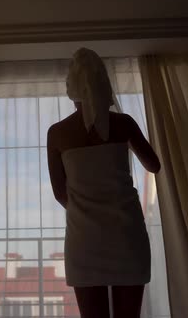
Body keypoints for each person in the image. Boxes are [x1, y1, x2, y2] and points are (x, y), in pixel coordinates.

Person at [47, 48, 161, 318]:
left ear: (71, 88)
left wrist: (87, 209)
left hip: (84, 239)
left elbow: (59, 193)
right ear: (104, 85)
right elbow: (153, 165)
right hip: (126, 235)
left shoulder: (57, 133)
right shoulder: (124, 124)